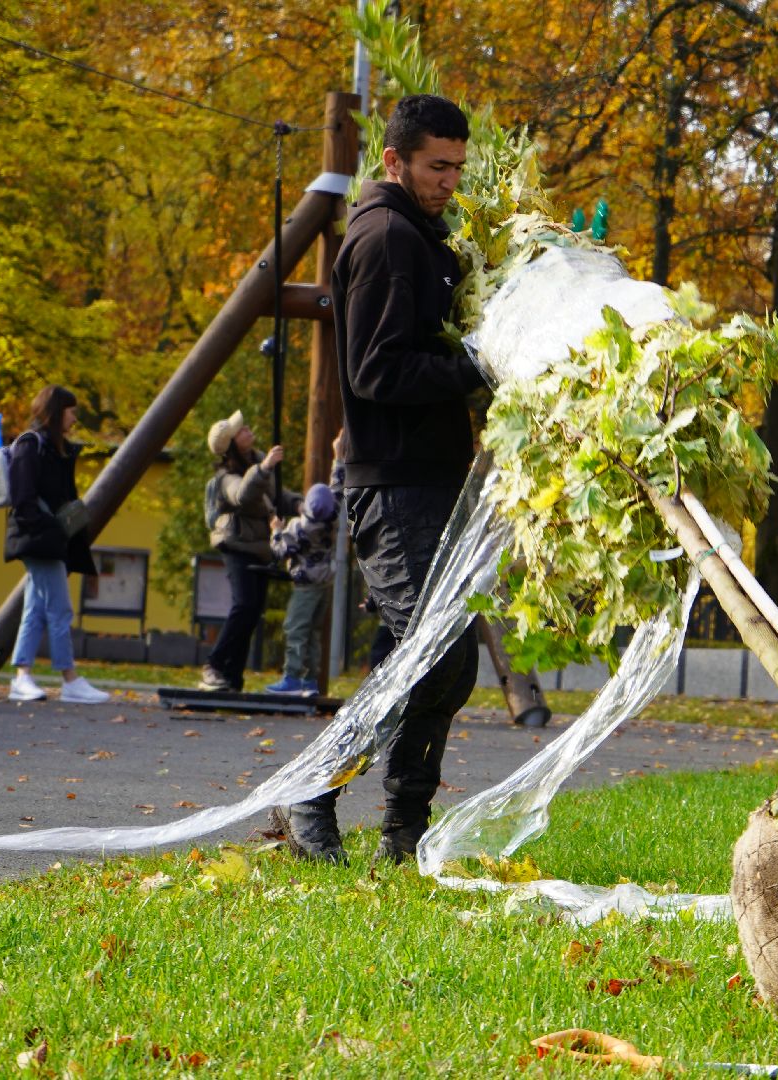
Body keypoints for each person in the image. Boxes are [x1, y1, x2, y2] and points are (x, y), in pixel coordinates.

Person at [273, 94, 485, 865]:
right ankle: (315, 791)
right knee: (439, 655)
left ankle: (403, 836)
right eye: (438, 166)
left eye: (458, 167)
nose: (450, 181)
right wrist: (477, 365)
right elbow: (374, 370)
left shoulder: (424, 236)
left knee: (422, 651)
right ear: (395, 162)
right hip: (392, 486)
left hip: (427, 478)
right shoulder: (389, 236)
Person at [2, 385, 109, 705]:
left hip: (45, 540)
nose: (75, 417)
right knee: (59, 609)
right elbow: (23, 501)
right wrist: (54, 527)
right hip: (39, 540)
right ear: (56, 411)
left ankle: (22, 676)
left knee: (35, 609)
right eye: (71, 411)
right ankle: (69, 679)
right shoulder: (30, 446)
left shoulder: (52, 448)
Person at [199, 410, 299, 692]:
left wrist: (300, 505)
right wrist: (264, 467)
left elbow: (278, 495)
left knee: (253, 611)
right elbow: (242, 495)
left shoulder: (256, 465)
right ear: (231, 444)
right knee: (243, 605)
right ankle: (214, 665)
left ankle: (232, 678)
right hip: (237, 546)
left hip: (259, 548)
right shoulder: (226, 477)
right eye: (241, 431)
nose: (248, 430)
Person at [264, 435, 346, 695]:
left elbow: (280, 550)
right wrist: (338, 456)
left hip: (306, 585)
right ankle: (311, 681)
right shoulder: (332, 516)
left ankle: (292, 677)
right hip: (325, 582)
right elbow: (338, 485)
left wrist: (276, 530)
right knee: (313, 632)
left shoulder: (299, 528)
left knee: (296, 628)